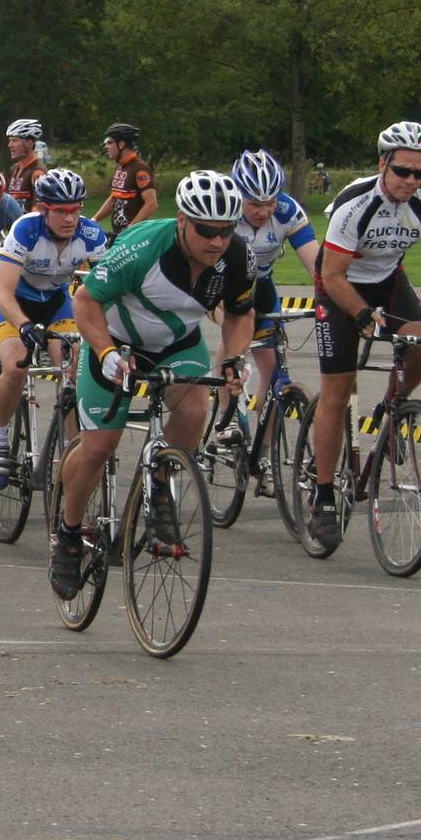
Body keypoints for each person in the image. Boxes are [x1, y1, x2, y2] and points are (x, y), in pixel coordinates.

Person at [50, 170, 257, 598]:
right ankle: (68, 534)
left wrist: (235, 358)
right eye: (206, 230)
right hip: (116, 342)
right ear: (182, 219)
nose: (217, 241)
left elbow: (240, 314)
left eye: (225, 231)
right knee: (98, 446)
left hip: (178, 344)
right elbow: (86, 301)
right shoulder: (142, 248)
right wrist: (105, 353)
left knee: (196, 410)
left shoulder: (238, 257)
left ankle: (160, 487)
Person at [304, 121, 421, 552]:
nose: (410, 181)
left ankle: (392, 409)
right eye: (402, 171)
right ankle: (325, 498)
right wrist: (361, 314)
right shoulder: (355, 203)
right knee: (336, 389)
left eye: (419, 173)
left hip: (388, 281)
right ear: (382, 163)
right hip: (339, 287)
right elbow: (331, 274)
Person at [0, 167, 110, 484]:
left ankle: (74, 450)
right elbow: (3, 293)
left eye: (75, 210)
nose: (70, 218)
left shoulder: (91, 234)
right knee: (15, 368)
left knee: (74, 367)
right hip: (15, 304)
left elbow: (109, 291)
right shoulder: (26, 229)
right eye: (61, 211)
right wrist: (24, 325)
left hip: (55, 302)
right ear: (44, 209)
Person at [228, 150, 320, 417]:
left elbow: (316, 265)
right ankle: (229, 421)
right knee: (231, 351)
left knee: (272, 367)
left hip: (262, 286)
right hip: (226, 287)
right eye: (255, 204)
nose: (264, 211)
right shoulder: (227, 211)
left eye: (270, 202)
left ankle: (265, 453)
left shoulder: (287, 210)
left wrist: (333, 299)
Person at [99, 123, 157, 233]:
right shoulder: (121, 168)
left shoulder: (140, 168)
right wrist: (94, 219)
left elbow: (151, 204)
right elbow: (114, 199)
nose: (106, 146)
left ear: (121, 144)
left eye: (110, 143)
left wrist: (131, 228)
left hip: (135, 235)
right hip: (119, 233)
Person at [3, 119, 46, 209]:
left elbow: (38, 209)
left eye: (15, 140)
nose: (9, 145)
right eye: (10, 141)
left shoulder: (38, 172)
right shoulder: (13, 169)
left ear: (30, 143)